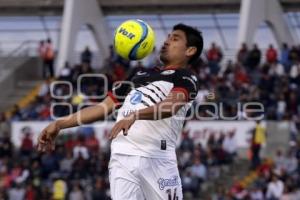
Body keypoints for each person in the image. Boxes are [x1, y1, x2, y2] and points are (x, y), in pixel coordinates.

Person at [37, 23, 203, 200]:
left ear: (190, 50)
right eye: (168, 37)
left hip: (157, 159)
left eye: (175, 38)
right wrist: (60, 124)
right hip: (122, 156)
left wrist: (134, 115)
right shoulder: (138, 75)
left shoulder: (186, 78)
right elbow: (103, 108)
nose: (167, 41)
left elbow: (170, 106)